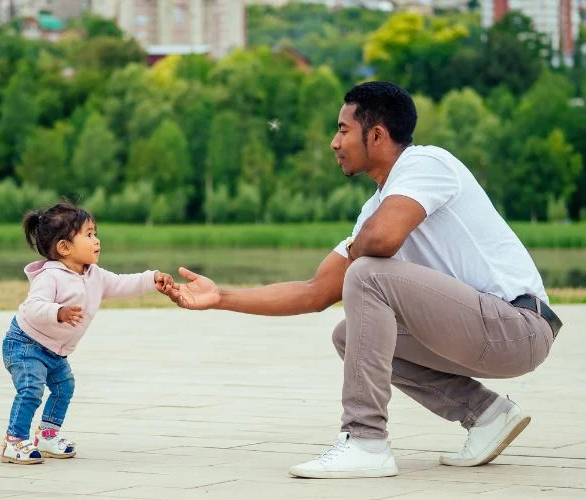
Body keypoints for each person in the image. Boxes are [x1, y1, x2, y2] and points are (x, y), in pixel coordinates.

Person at [165, 82, 562, 479]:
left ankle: (366, 441)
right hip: (480, 332)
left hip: (519, 327)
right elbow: (315, 292)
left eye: (343, 130)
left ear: (376, 135)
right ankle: (487, 414)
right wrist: (221, 296)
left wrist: (358, 250)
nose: (334, 143)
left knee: (367, 274)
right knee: (349, 333)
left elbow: (381, 242)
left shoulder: (426, 164)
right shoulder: (378, 208)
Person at [1, 202, 174, 464]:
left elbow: (123, 283)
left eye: (95, 233)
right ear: (64, 247)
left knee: (64, 387)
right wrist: (58, 312)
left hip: (55, 351)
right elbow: (34, 307)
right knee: (31, 389)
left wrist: (152, 279)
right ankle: (14, 441)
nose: (96, 240)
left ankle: (47, 435)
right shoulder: (50, 276)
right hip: (26, 344)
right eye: (89, 234)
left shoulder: (95, 275)